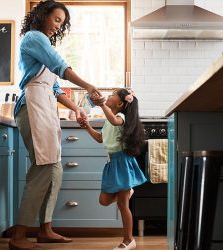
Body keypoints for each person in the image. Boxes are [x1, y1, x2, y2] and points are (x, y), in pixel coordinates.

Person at [11, 1, 103, 250]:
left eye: (61, 23)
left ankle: (45, 229)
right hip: (32, 105)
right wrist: (88, 86)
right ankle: (19, 236)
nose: (57, 26)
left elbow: (54, 88)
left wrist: (77, 108)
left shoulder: (43, 43)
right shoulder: (34, 37)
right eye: (56, 19)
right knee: (44, 167)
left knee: (55, 169)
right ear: (42, 16)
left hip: (45, 104)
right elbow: (60, 65)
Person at [82, 88, 147, 250]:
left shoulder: (120, 117)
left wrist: (102, 104)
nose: (109, 96)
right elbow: (100, 138)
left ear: (119, 104)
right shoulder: (108, 120)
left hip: (123, 162)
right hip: (112, 163)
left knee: (123, 205)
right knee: (103, 201)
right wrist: (87, 126)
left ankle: (129, 240)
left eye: (112, 95)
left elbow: (114, 121)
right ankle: (127, 191)